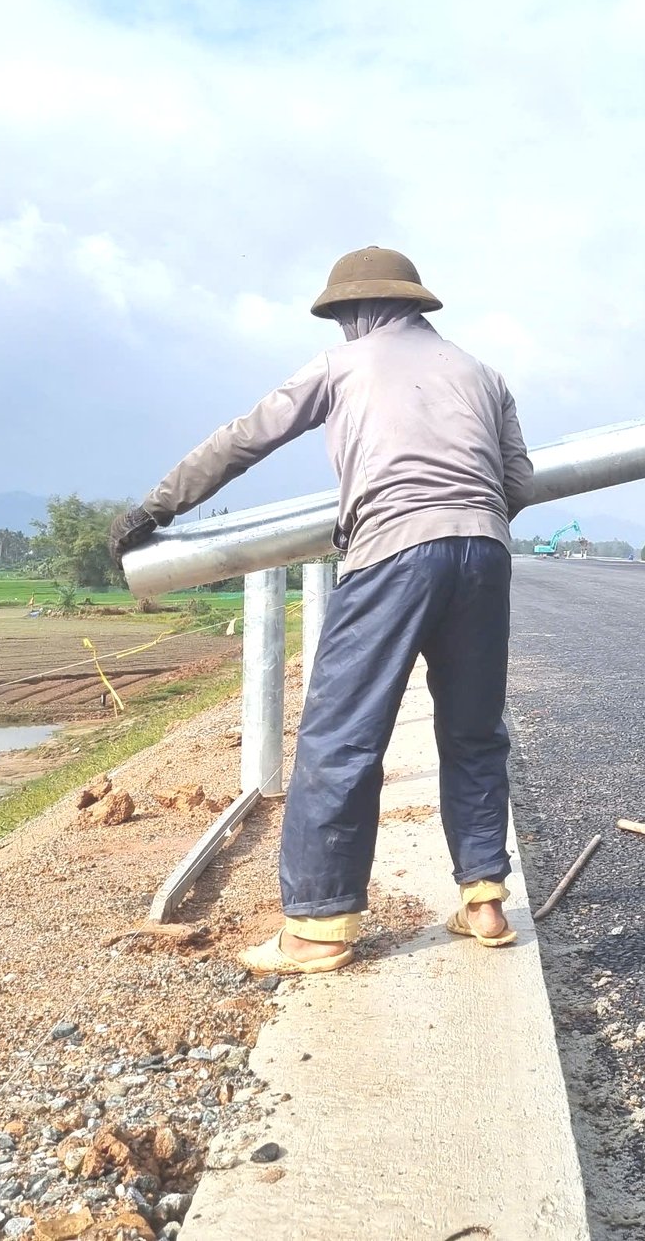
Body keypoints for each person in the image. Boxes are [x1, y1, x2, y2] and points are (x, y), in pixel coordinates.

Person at [110, 247, 534, 975]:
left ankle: (319, 927)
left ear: (354, 311)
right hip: (484, 550)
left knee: (342, 734)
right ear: (414, 305)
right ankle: (485, 896)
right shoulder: (481, 372)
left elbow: (246, 438)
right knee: (472, 731)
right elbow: (517, 481)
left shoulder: (341, 366)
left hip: (394, 553)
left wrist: (156, 506)